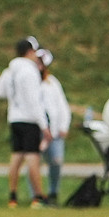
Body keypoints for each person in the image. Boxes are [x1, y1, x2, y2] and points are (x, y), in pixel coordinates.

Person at [0, 36, 49, 207]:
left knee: (16, 157)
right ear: (30, 52)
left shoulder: (10, 70)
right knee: (33, 157)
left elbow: (0, 92)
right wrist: (44, 125)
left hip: (14, 118)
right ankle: (38, 197)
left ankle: (12, 197)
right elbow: (34, 100)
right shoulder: (29, 71)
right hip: (29, 119)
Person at [37, 48, 70, 204]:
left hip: (55, 131)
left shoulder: (52, 83)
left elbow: (62, 106)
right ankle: (36, 195)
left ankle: (53, 193)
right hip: (37, 130)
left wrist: (63, 126)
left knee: (56, 161)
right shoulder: (30, 81)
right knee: (35, 162)